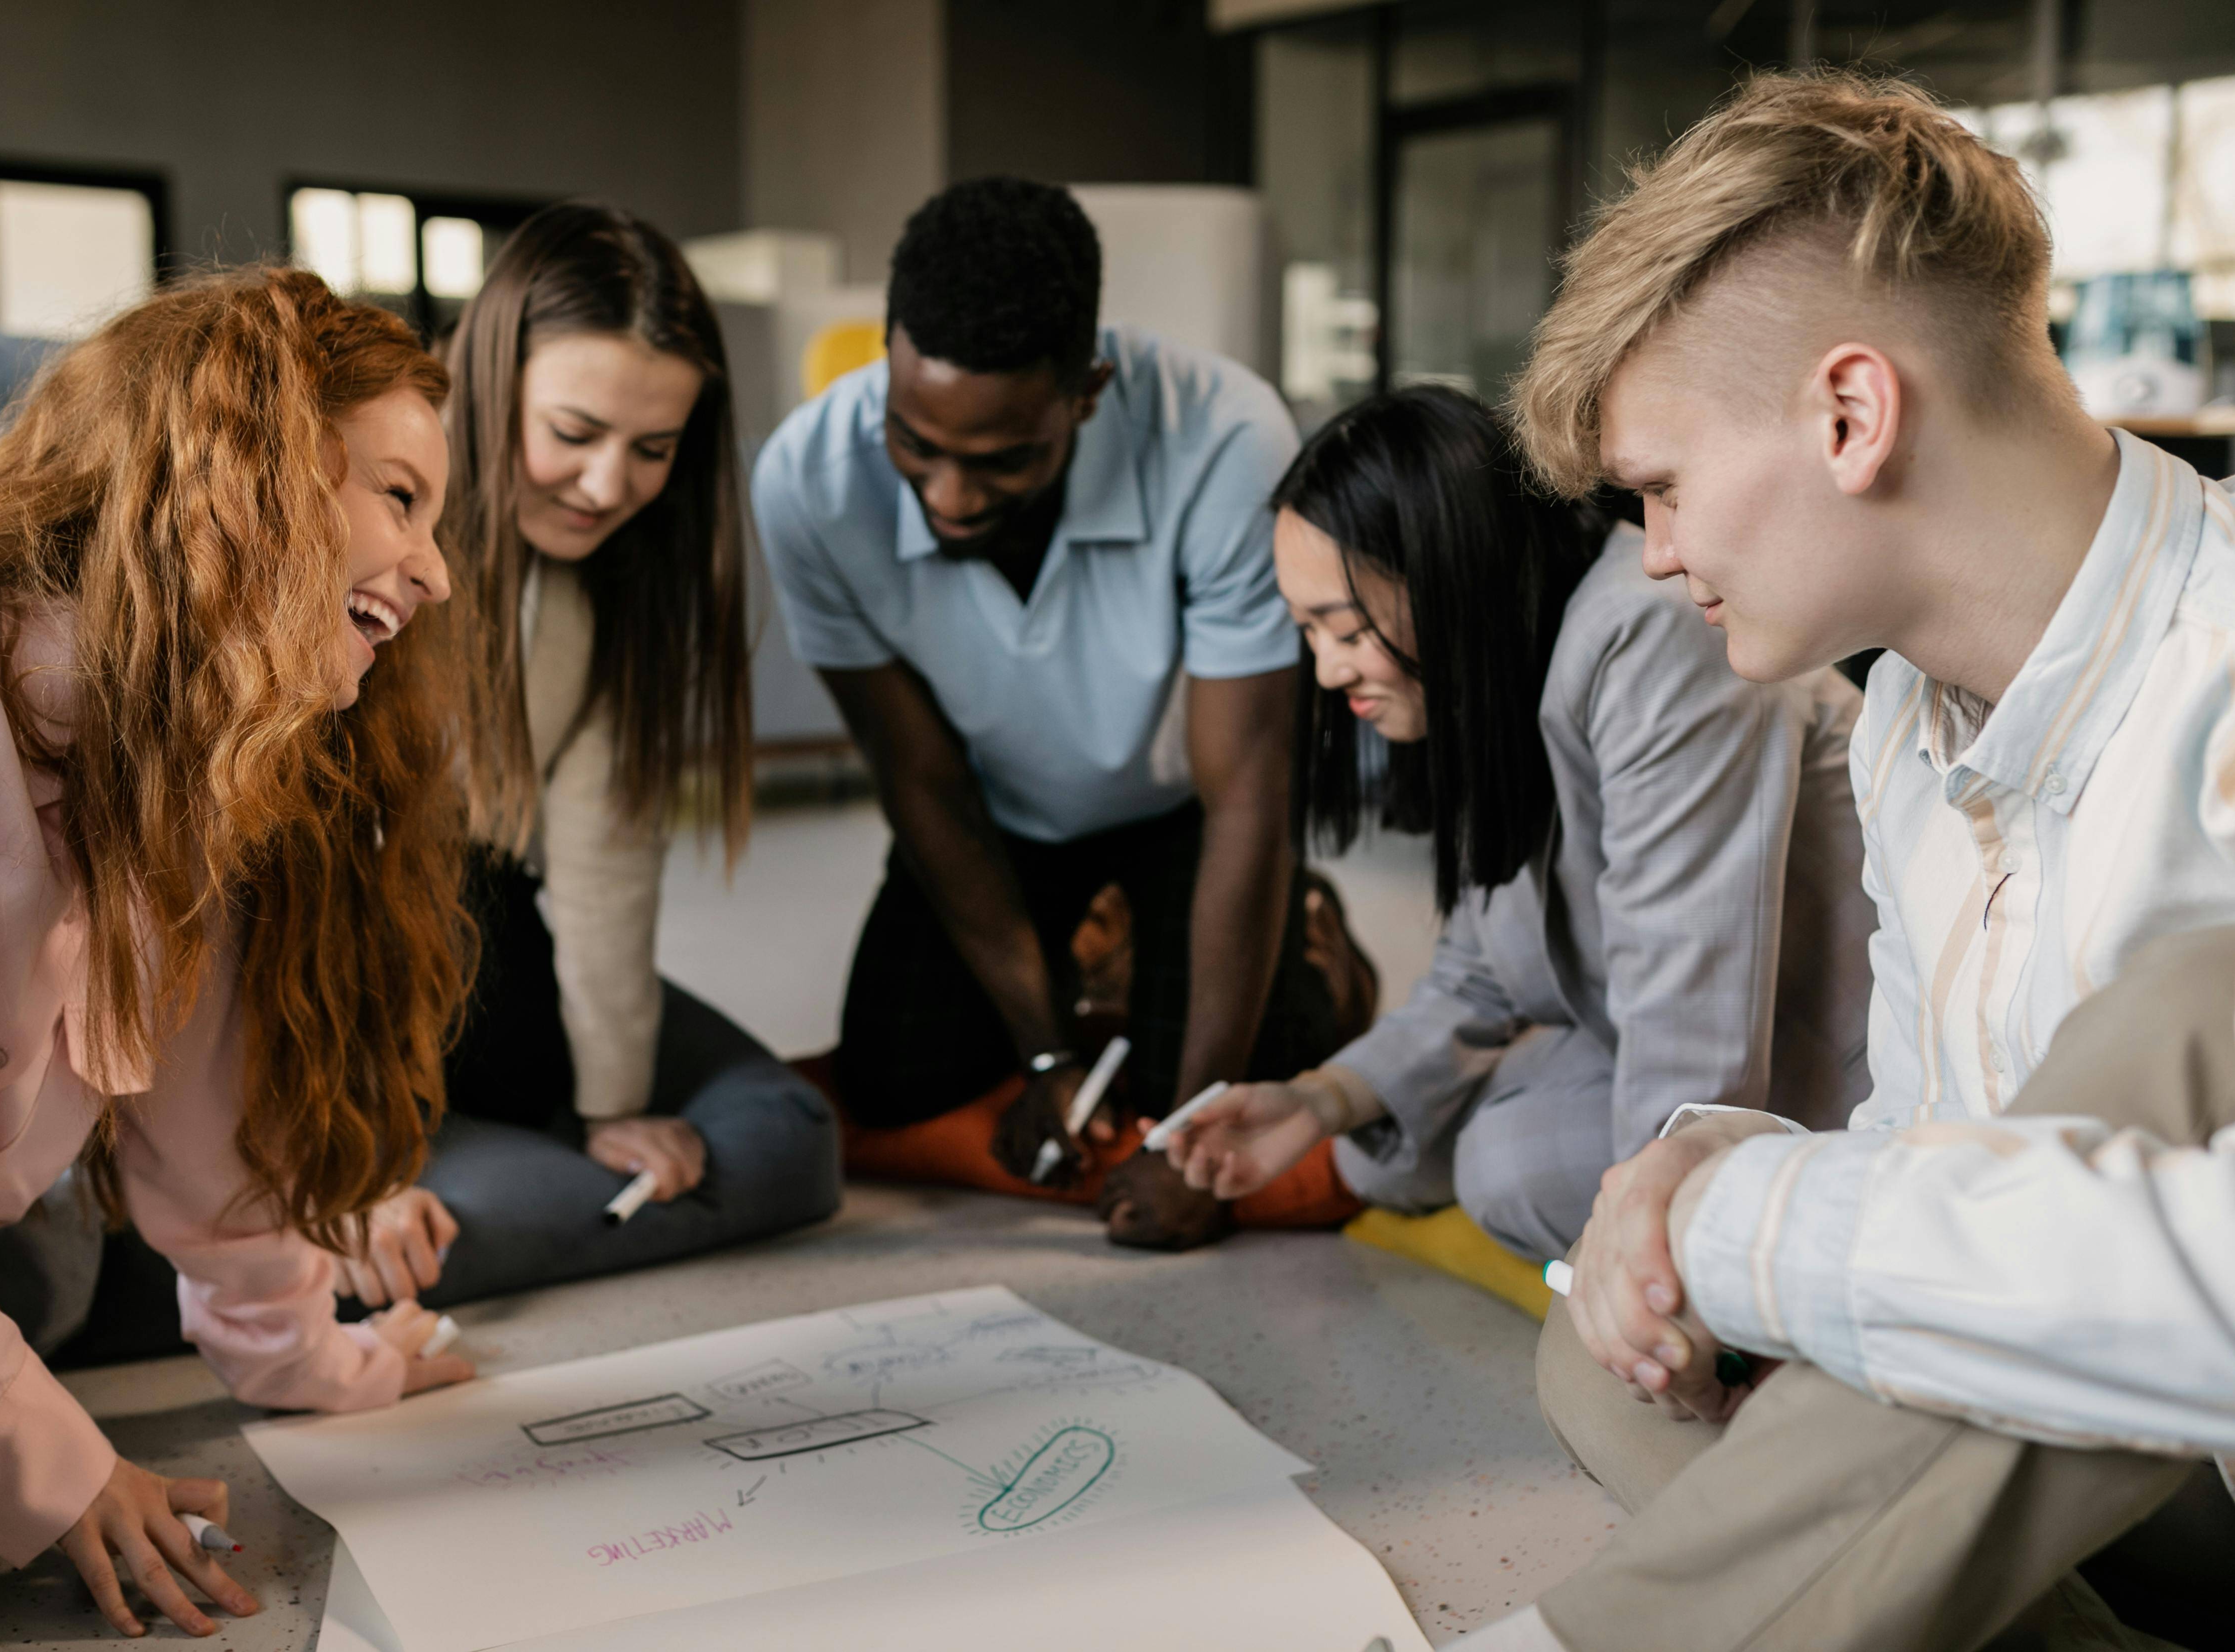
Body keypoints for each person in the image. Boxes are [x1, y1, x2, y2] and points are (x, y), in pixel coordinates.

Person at [1458, 72, 2235, 1651]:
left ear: (1847, 415)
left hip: (2183, 1400)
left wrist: (1748, 1217)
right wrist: (1702, 1171)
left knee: (2158, 1042)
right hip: (2070, 1453)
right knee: (1605, 1321)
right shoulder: (1900, 728)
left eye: (1662, 489)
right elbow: (1919, 1131)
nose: (1655, 554)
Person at [0, 268, 476, 1634]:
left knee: (33, 1276)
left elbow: (203, 1136)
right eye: (399, 497)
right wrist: (56, 1476)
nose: (435, 571)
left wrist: (315, 1360)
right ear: (238, 467)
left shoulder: (181, 760)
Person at [753, 176, 1353, 1250]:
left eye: (1001, 460)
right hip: (997, 807)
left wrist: (1188, 1136)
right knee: (894, 1073)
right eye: (914, 443)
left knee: (1231, 1066)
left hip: (1183, 810)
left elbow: (1247, 793)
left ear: (1087, 389)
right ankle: (1086, 975)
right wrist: (1041, 1054)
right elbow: (921, 780)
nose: (948, 495)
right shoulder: (805, 480)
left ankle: (1315, 941)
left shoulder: (1225, 437)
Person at [1162, 386, 1872, 1261]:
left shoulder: (1646, 635)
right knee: (1382, 1144)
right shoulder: (1495, 675)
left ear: (1446, 573)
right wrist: (1316, 1097)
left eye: (1341, 628)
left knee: (1506, 1162)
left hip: (1823, 1068)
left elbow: (1695, 1011)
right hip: (1669, 1029)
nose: (1326, 670)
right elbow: (1479, 970)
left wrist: (1640, 1250)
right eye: (1306, 632)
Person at [333, 203, 841, 1313]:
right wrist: (346, 1162)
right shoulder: (346, 531)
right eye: (573, 433)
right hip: (309, 950)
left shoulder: (613, 588)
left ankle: (420, 1202)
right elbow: (270, 897)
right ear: (486, 382)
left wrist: (613, 1104)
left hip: (470, 933)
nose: (608, 486)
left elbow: (608, 871)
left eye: (651, 450)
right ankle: (273, 1241)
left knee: (786, 1136)